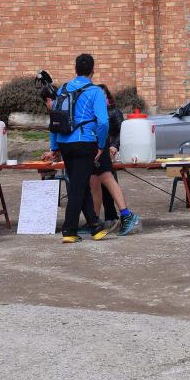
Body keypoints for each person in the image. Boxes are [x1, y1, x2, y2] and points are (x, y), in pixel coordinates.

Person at [45, 54, 117, 243]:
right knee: (77, 186)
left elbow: (54, 118)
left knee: (81, 182)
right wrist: (101, 145)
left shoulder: (63, 89)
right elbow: (102, 122)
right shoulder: (95, 92)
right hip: (85, 141)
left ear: (75, 69)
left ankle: (94, 225)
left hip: (64, 142)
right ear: (93, 70)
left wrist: (54, 146)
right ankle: (69, 230)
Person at [89, 85, 140, 236]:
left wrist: (114, 146)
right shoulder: (94, 111)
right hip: (95, 146)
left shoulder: (113, 112)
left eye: (104, 96)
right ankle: (95, 221)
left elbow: (120, 132)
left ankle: (124, 215)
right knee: (94, 182)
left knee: (106, 178)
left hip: (104, 149)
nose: (101, 99)